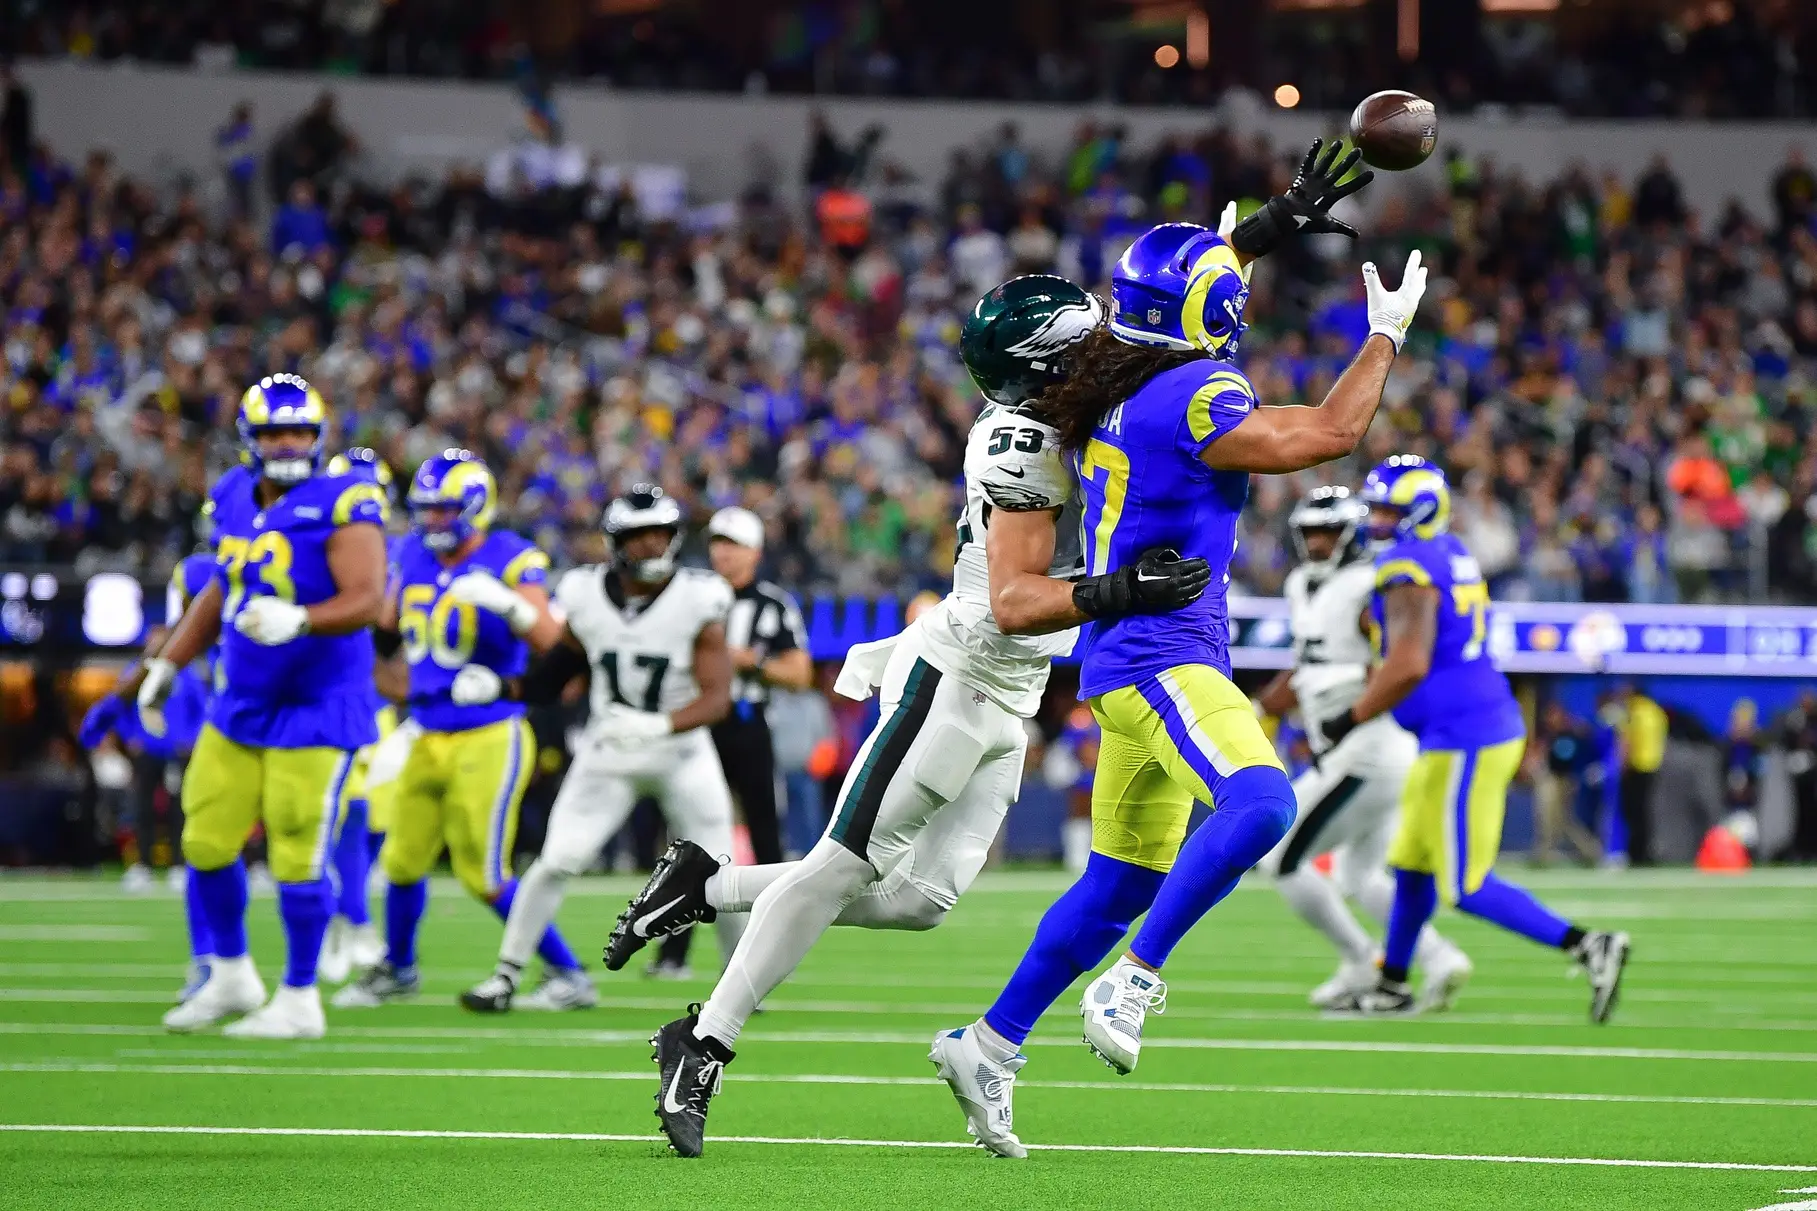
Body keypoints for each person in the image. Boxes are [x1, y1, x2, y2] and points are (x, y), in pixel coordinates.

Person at [610, 273, 1211, 1158]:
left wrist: (1266, 229)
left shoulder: (1088, 391)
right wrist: (1117, 589)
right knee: (839, 866)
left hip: (1014, 690)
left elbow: (1170, 324)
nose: (1100, 358)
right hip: (961, 673)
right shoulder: (1022, 440)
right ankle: (702, 1042)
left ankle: (701, 884)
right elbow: (1012, 602)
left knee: (919, 900)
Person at [928, 140, 1420, 1158]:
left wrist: (1272, 220)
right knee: (1262, 802)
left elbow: (1190, 276)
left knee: (1115, 877)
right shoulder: (1187, 394)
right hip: (1161, 652)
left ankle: (988, 1040)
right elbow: (1328, 433)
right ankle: (1135, 974)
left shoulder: (1115, 368)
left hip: (1119, 654)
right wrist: (1384, 334)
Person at [1323, 456, 1630, 1022]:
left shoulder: (1407, 565)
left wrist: (1350, 718)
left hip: (1465, 733)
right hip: (1456, 730)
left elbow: (1409, 663)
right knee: (1412, 863)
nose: (1378, 520)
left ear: (1419, 513)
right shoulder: (1450, 551)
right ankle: (1392, 984)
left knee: (1464, 884)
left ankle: (1588, 944)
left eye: (1391, 511)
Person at [131, 374, 389, 1039]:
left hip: (318, 702)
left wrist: (303, 618)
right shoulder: (231, 497)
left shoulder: (344, 500)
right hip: (241, 700)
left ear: (319, 435)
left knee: (297, 846)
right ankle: (229, 971)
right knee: (206, 836)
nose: (286, 443)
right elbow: (221, 586)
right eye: (274, 432)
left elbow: (368, 597)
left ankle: (301, 996)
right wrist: (169, 661)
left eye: (298, 431)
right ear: (250, 438)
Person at [456, 484, 742, 1013]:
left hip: (682, 753)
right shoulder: (585, 592)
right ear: (615, 543)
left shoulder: (700, 597)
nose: (652, 547)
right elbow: (555, 675)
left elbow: (718, 699)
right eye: (639, 538)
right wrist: (500, 688)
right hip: (608, 752)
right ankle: (506, 974)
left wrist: (657, 726)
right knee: (556, 860)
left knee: (722, 872)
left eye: (661, 535)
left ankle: (741, 983)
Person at [1253, 486, 1470, 1010]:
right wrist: (1263, 709)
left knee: (1277, 856)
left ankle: (1360, 961)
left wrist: (1355, 708)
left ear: (1352, 533)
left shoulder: (1374, 580)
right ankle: (1439, 957)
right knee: (1358, 873)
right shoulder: (1302, 583)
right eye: (1310, 533)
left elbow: (1395, 656)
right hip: (1356, 746)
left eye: (1329, 532)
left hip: (1368, 745)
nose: (1319, 543)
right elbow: (1308, 661)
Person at [645, 506, 813, 978]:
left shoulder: (772, 604)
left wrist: (747, 663)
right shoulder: (690, 598)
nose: (723, 552)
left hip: (747, 726)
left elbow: (799, 674)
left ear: (755, 552)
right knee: (685, 839)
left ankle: (771, 952)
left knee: (765, 839)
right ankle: (671, 954)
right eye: (717, 543)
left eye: (733, 544)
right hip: (700, 727)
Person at [316, 448, 397, 985]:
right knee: (343, 813)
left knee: (374, 820)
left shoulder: (403, 555)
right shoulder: (319, 548)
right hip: (334, 698)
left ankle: (350, 917)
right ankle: (348, 923)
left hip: (384, 706)